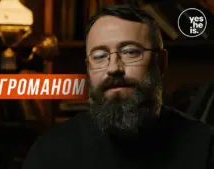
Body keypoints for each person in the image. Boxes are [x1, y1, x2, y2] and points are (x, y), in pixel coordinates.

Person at [22, 4, 214, 169]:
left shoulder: (206, 147)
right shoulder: (50, 151)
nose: (114, 68)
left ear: (161, 62)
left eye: (130, 52)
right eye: (99, 56)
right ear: (88, 68)